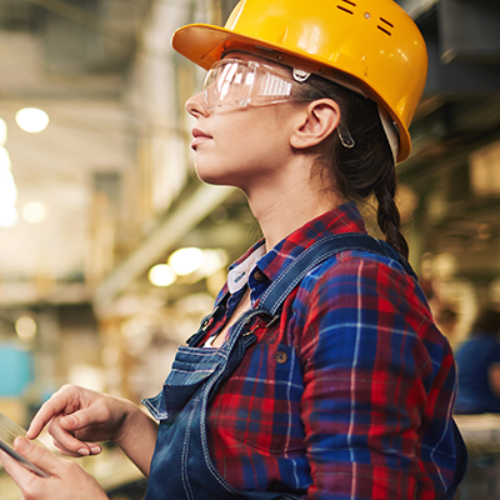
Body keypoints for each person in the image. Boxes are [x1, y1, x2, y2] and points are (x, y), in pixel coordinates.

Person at [0, 0, 467, 499]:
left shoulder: (352, 287)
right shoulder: (257, 281)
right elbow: (244, 479)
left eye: (232, 81)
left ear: (313, 122)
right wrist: (129, 424)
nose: (196, 104)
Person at [454, 308, 500, 414]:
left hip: (459, 406)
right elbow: (497, 383)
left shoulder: (464, 345)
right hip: (484, 408)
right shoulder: (493, 346)